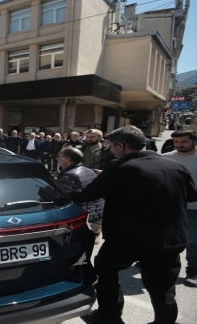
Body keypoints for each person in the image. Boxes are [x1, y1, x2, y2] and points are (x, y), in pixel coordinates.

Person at [69, 125, 197, 324]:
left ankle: (108, 317)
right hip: (170, 239)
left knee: (105, 270)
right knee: (163, 288)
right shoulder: (175, 165)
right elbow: (191, 196)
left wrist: (55, 195)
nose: (110, 149)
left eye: (111, 146)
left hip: (129, 239)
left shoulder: (122, 168)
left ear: (121, 146)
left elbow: (87, 195)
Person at [162, 129, 197, 287]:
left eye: (183, 142)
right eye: (176, 142)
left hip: (194, 209)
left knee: (193, 242)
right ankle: (157, 266)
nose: (179, 145)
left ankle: (193, 272)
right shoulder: (165, 159)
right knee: (162, 238)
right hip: (169, 206)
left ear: (194, 142)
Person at [55, 147, 104, 244]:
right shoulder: (89, 170)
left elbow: (61, 198)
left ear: (67, 159)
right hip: (96, 214)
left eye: (58, 156)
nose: (56, 158)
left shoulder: (68, 175)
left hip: (83, 217)